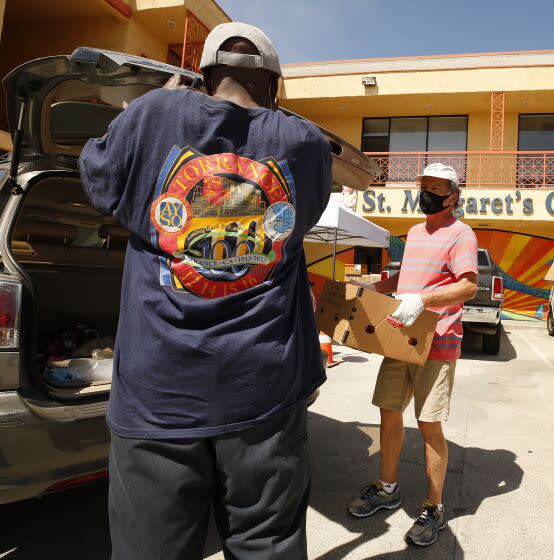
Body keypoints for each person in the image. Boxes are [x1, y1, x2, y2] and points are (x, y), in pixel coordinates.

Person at [78, 22, 332, 560]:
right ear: (275, 87)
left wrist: (143, 111)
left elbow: (97, 177)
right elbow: (299, 214)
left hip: (158, 392)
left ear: (204, 75)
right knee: (269, 544)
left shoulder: (152, 116)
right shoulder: (304, 142)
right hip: (264, 386)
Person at [347, 163, 479, 547]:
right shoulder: (416, 232)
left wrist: (422, 300)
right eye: (424, 187)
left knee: (428, 425)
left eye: (436, 189)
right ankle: (387, 488)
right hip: (400, 340)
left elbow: (468, 287)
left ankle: (433, 508)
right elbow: (404, 280)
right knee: (389, 412)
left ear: (452, 195)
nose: (427, 194)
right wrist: (369, 284)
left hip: (437, 343)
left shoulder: (461, 234)